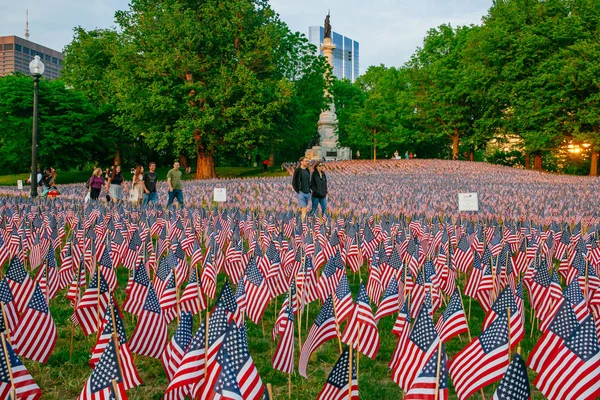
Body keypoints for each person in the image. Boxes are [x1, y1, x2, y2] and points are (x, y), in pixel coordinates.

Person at [292, 156, 311, 221]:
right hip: (301, 192)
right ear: (301, 162)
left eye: (307, 161)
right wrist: (298, 191)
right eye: (306, 161)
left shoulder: (307, 170)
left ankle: (298, 213)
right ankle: (303, 223)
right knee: (304, 209)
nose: (307, 162)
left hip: (308, 192)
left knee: (307, 208)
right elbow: (294, 181)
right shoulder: (298, 170)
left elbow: (308, 181)